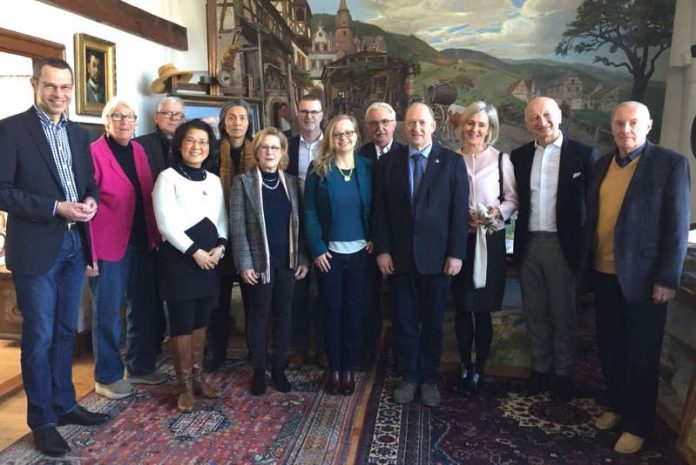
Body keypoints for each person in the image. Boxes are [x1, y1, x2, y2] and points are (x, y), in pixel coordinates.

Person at [0, 57, 109, 457]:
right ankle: (42, 420)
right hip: (35, 249)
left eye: (65, 87)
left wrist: (91, 200)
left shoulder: (80, 135)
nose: (59, 95)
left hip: (72, 245)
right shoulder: (11, 129)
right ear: (35, 84)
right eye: (51, 87)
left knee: (67, 331)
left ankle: (64, 403)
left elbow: (88, 182)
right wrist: (55, 208)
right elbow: (2, 189)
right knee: (40, 336)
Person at [585, 101, 690, 454]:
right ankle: (616, 407)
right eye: (619, 123)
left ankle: (638, 424)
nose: (625, 129)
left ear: (648, 126)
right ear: (611, 126)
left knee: (642, 355)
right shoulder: (602, 164)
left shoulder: (670, 164)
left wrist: (667, 279)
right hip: (603, 274)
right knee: (611, 347)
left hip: (645, 281)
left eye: (633, 123)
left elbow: (676, 229)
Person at [373, 102, 469, 407]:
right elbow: (380, 211)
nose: (416, 128)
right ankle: (409, 376)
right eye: (411, 123)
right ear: (404, 127)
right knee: (403, 322)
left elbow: (458, 213)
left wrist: (456, 254)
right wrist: (384, 250)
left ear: (433, 126)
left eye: (422, 123)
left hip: (439, 261)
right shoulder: (389, 162)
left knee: (433, 322)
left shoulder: (452, 162)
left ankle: (429, 378)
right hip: (399, 259)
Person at [511, 96, 596, 400]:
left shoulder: (583, 155)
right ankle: (541, 369)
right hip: (530, 243)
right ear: (526, 122)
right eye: (534, 117)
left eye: (547, 115)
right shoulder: (518, 156)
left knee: (563, 314)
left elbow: (594, 206)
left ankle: (563, 374)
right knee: (534, 312)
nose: (541, 121)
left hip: (564, 245)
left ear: (560, 116)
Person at [87, 96, 164, 400]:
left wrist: (155, 236)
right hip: (108, 247)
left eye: (129, 117)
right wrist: (88, 253)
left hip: (142, 241)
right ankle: (106, 375)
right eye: (117, 116)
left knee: (142, 307)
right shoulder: (93, 153)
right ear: (107, 122)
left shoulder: (139, 151)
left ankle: (140, 366)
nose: (124, 122)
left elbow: (146, 195)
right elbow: (86, 206)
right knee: (107, 312)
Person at [152, 119, 227, 412]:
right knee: (181, 321)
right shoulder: (167, 178)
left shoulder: (214, 180)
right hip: (180, 261)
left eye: (203, 142)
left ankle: (198, 378)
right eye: (191, 141)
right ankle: (182, 385)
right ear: (180, 144)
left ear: (210, 148)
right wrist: (195, 251)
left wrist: (220, 246)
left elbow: (221, 218)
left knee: (201, 318)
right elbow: (165, 224)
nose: (197, 147)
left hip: (210, 260)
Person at [230, 127, 309, 395]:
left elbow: (302, 226)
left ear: (283, 153)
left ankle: (278, 369)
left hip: (287, 263)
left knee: (284, 316)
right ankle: (259, 371)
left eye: (275, 148)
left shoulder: (293, 184)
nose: (270, 152)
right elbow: (237, 226)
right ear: (257, 152)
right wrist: (244, 264)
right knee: (259, 316)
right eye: (265, 147)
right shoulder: (243, 183)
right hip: (259, 264)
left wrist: (303, 258)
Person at [451, 101, 518, 393]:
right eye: (470, 123)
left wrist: (494, 213)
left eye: (481, 125)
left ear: (490, 129)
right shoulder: (451, 159)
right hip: (460, 241)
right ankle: (464, 364)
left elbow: (513, 199)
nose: (474, 129)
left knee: (484, 310)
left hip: (490, 242)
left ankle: (481, 368)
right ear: (461, 125)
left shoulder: (501, 159)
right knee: (463, 308)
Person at [304, 115, 374, 395]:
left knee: (355, 311)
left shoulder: (368, 168)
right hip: (329, 256)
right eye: (337, 134)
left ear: (356, 136)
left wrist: (374, 238)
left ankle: (349, 366)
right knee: (332, 311)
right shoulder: (318, 169)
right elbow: (309, 211)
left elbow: (378, 206)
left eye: (348, 133)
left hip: (361, 255)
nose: (343, 138)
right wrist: (317, 248)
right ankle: (334, 367)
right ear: (330, 139)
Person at [205, 99, 255, 372]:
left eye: (242, 118)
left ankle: (254, 349)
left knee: (252, 298)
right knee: (218, 300)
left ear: (249, 124)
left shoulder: (257, 152)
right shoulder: (211, 153)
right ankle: (216, 352)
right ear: (224, 122)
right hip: (218, 235)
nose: (237, 122)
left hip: (249, 236)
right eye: (232, 117)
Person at [356, 101, 404, 368]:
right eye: (374, 123)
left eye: (385, 122)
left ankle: (399, 356)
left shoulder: (406, 154)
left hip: (398, 244)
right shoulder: (358, 156)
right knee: (369, 301)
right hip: (366, 243)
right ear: (367, 127)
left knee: (400, 304)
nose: (380, 127)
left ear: (394, 124)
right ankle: (367, 354)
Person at [286, 94, 327, 369]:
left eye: (314, 111)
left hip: (325, 226)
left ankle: (323, 347)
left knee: (325, 291)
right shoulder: (286, 145)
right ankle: (299, 348)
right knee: (297, 293)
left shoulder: (333, 144)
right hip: (292, 225)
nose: (309, 116)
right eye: (304, 112)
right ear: (297, 115)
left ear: (322, 114)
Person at [134, 96, 186, 181]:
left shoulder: (190, 146)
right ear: (156, 117)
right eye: (168, 113)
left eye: (178, 114)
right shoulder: (138, 145)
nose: (173, 118)